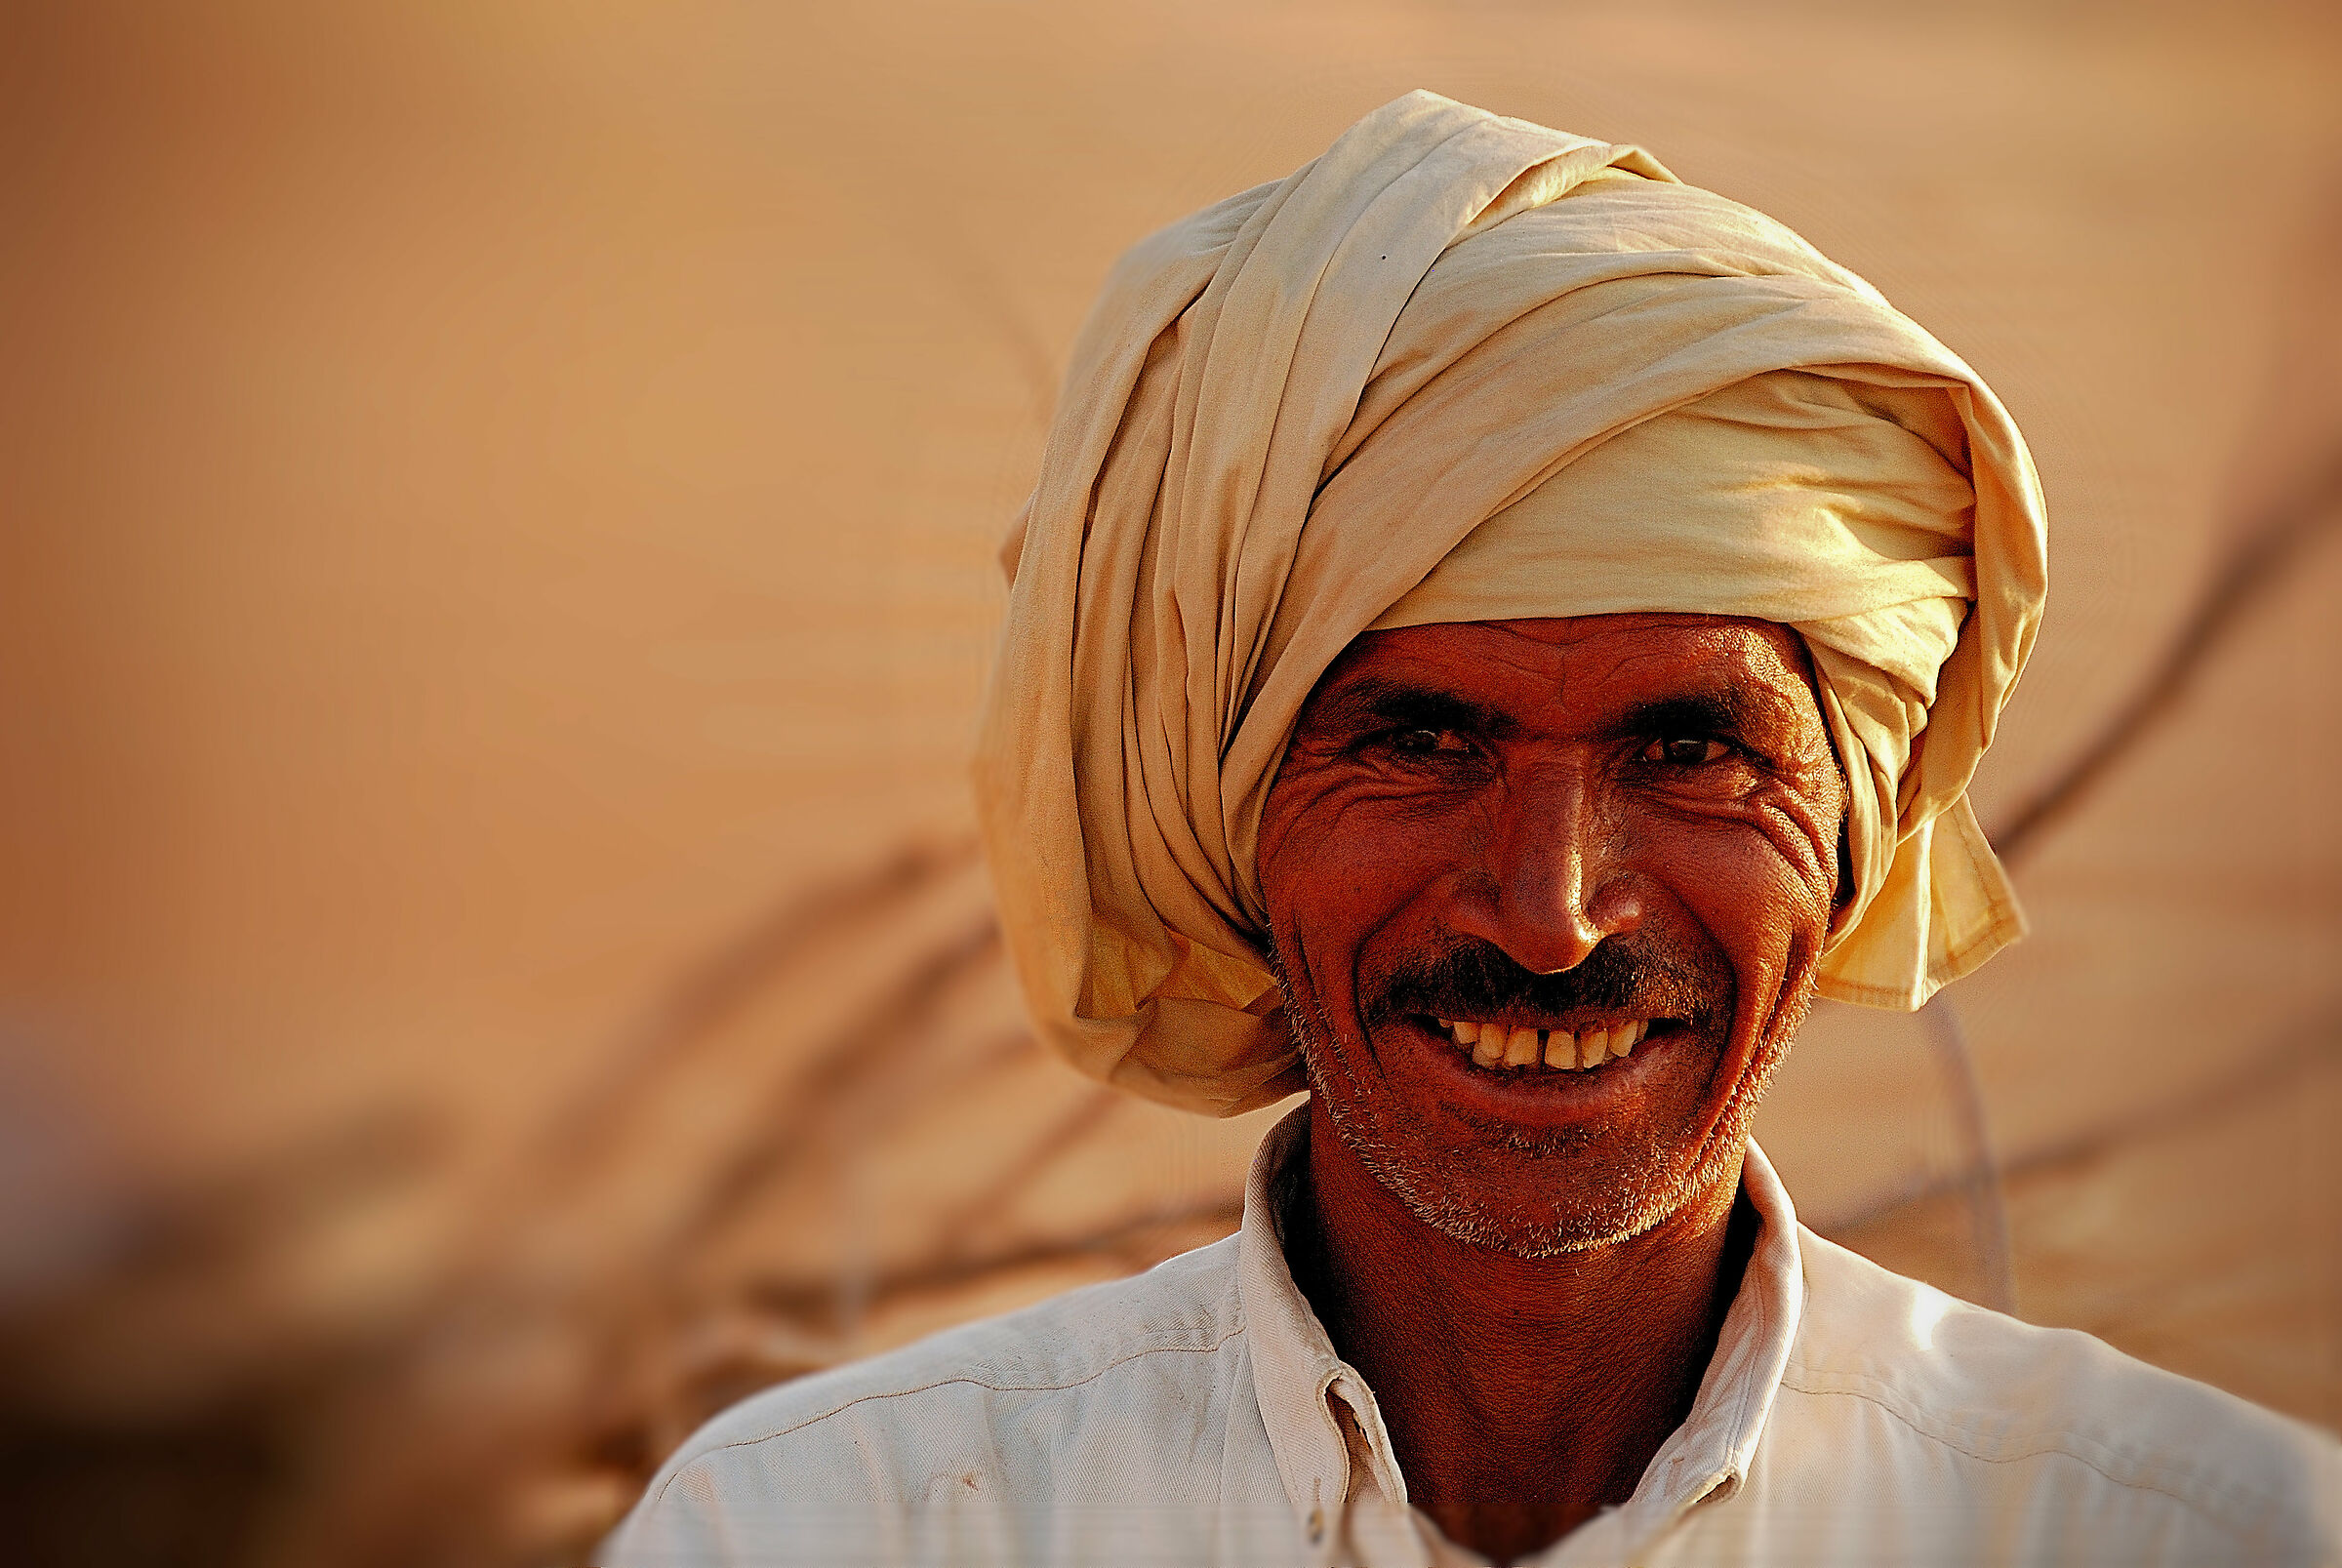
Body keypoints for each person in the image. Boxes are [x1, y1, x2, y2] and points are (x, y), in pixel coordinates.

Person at [604, 93, 2338, 1566]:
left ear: (1855, 823)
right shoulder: (836, 1529)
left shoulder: (2185, 1529)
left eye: (1690, 747)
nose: (1553, 915)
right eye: (1420, 741)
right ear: (1231, 813)